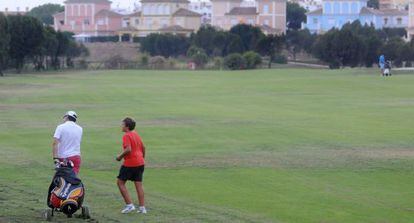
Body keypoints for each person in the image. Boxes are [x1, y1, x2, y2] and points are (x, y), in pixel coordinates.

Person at [116, 117, 147, 214]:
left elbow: (128, 149)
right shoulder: (136, 134)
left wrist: (120, 157)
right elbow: (143, 147)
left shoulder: (126, 136)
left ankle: (129, 205)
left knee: (120, 183)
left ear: (127, 126)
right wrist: (142, 158)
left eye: (123, 124)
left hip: (130, 163)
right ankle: (142, 208)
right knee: (138, 185)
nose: (121, 126)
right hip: (140, 162)